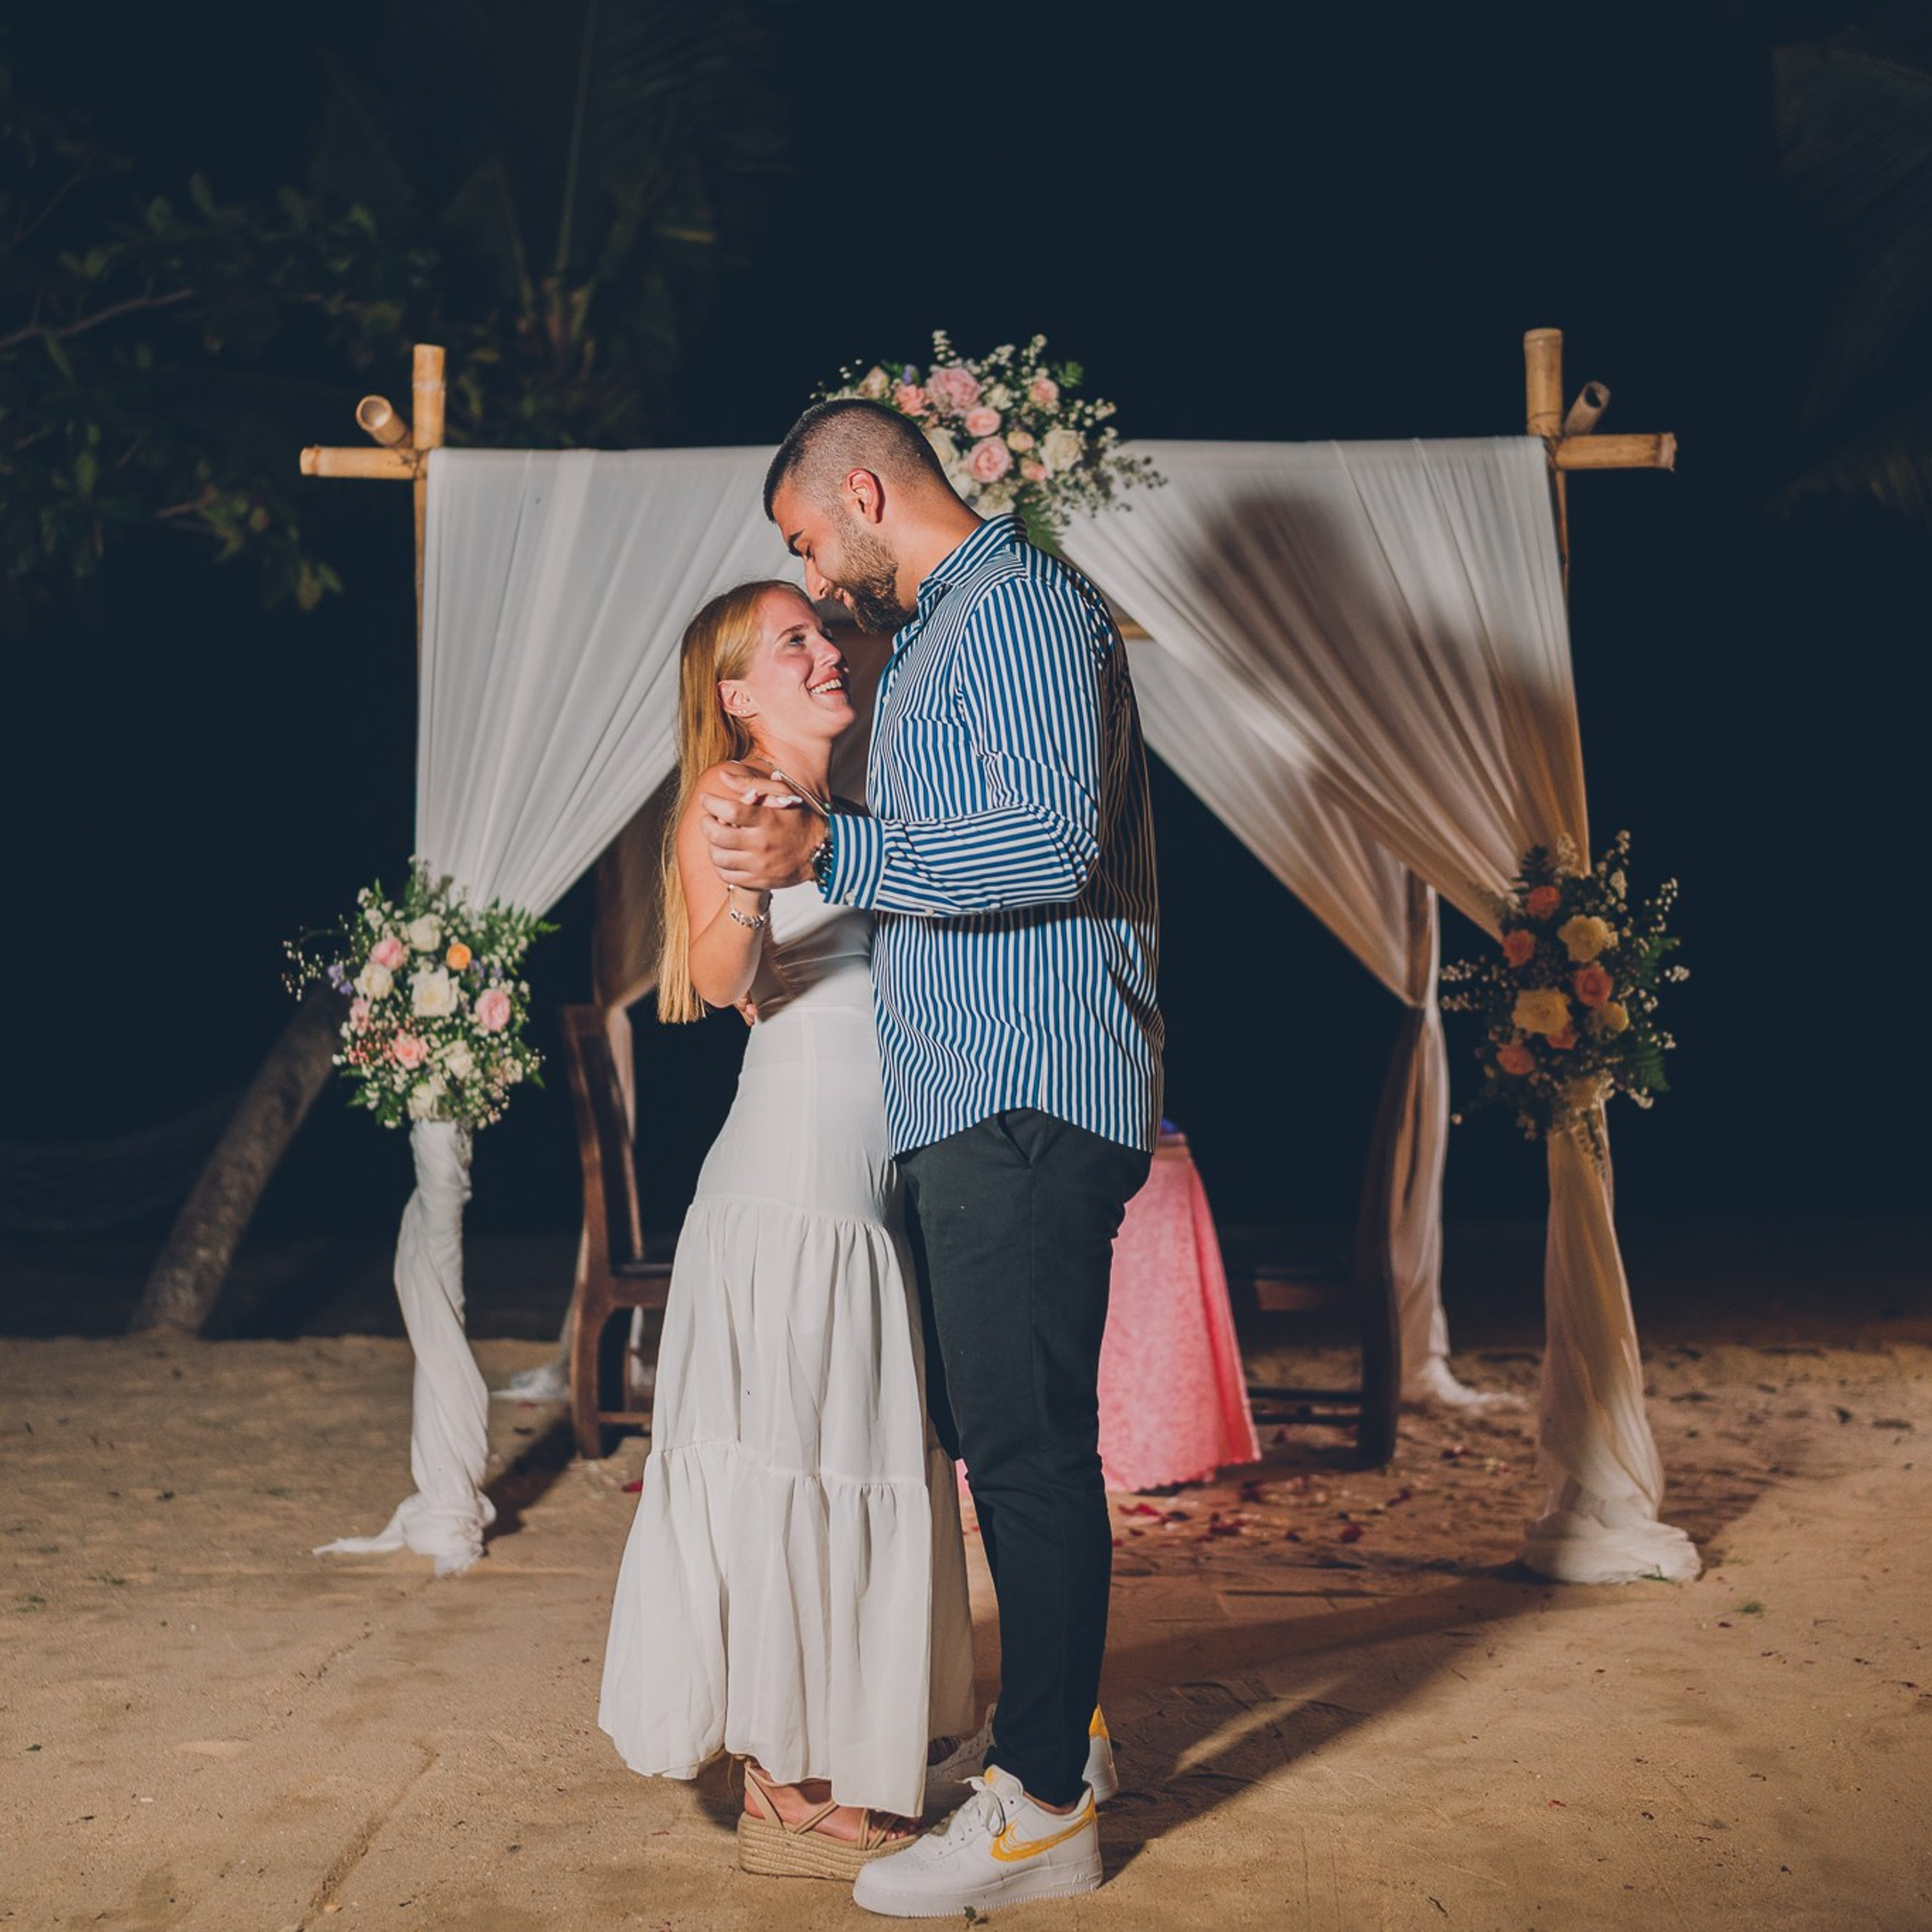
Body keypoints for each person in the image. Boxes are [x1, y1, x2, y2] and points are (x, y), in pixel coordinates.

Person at [698, 398, 1163, 1916]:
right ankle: (1063, 1736)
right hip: (978, 1094)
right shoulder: (952, 628)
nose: (811, 575)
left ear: (859, 490)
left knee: (1027, 1449)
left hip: (1026, 1087)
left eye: (804, 540)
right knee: (999, 1432)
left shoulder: (1015, 607)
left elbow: (1049, 842)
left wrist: (833, 850)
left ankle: (1039, 1814)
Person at [598, 579, 977, 1881]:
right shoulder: (735, 797)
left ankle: (840, 1743)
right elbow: (719, 977)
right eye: (794, 643)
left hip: (870, 1184)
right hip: (797, 1183)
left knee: (847, 1445)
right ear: (735, 693)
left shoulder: (854, 808)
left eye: (824, 634)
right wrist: (756, 888)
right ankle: (787, 1776)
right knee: (795, 1454)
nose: (826, 653)